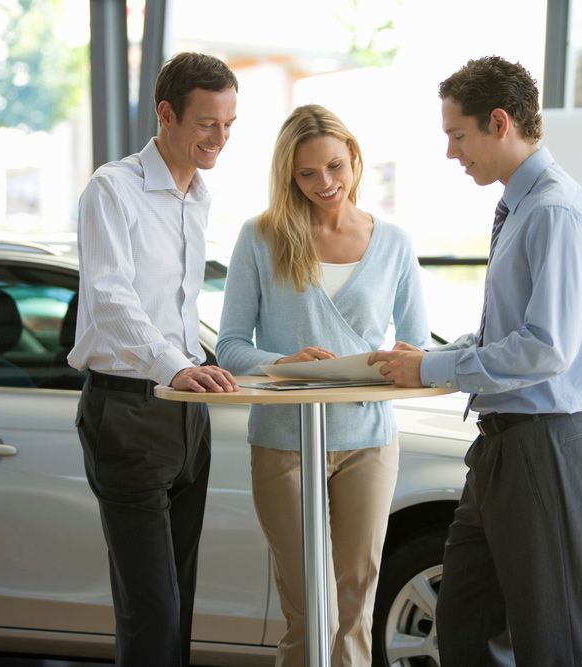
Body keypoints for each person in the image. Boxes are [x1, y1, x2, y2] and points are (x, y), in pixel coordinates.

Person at [369, 56, 582, 666]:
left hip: (544, 443)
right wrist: (430, 356)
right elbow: (501, 333)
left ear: (499, 122)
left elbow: (543, 348)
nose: (453, 153)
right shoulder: (521, 207)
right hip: (505, 445)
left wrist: (430, 371)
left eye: (458, 135)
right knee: (464, 619)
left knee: (551, 636)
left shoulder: (552, 210)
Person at [216, 103, 428, 667]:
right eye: (307, 173)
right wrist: (283, 361)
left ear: (355, 159)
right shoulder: (261, 238)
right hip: (285, 442)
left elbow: (415, 347)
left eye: (334, 166)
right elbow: (230, 346)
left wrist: (401, 362)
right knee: (308, 609)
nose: (325, 184)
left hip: (368, 439)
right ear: (289, 175)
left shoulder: (395, 244)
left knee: (357, 601)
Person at [69, 52, 241, 667]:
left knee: (179, 602)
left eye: (229, 124)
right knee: (152, 610)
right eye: (205, 124)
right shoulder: (112, 190)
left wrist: (212, 363)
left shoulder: (198, 196)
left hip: (185, 414)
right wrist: (174, 365)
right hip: (127, 410)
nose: (219, 139)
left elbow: (178, 310)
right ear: (165, 114)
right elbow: (113, 300)